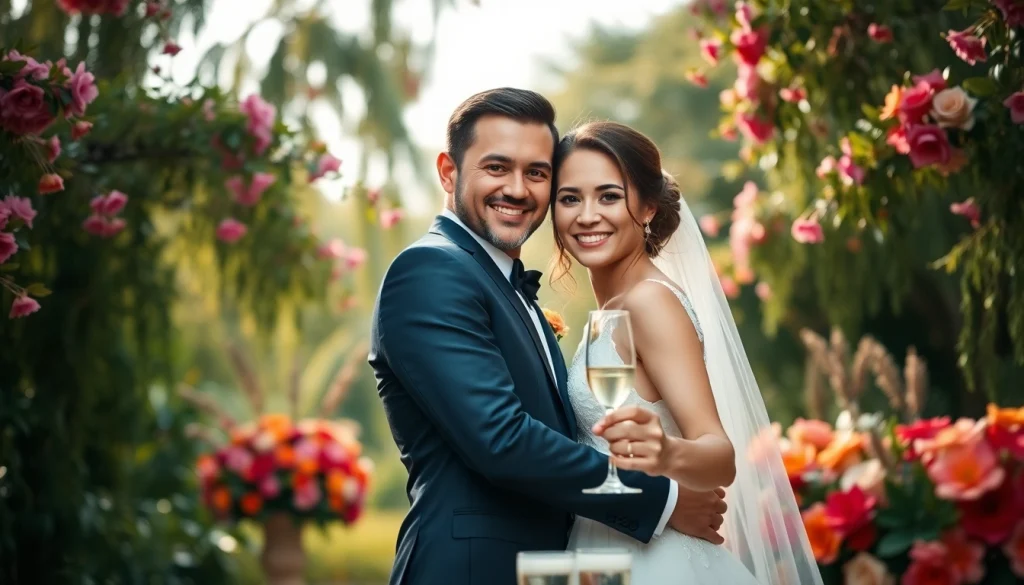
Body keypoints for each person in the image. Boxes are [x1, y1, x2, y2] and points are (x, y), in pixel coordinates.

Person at [368, 88, 728, 585]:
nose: (517, 189)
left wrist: (665, 457)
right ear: (449, 172)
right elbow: (502, 439)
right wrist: (662, 500)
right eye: (497, 167)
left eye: (537, 173)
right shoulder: (431, 270)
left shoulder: (517, 288)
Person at [551, 120, 823, 584]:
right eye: (570, 198)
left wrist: (665, 452)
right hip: (606, 548)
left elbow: (719, 454)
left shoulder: (649, 302)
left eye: (609, 196)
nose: (587, 215)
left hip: (655, 560)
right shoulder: (614, 307)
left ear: (648, 207)